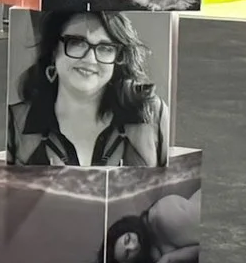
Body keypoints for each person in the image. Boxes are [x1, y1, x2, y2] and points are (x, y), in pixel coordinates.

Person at [10, 10, 169, 168]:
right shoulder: (15, 124)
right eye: (77, 43)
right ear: (53, 51)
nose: (90, 59)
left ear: (118, 58)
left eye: (105, 48)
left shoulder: (152, 114)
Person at [31, 192, 200, 263]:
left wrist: (165, 261)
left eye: (127, 239)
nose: (133, 247)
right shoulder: (144, 248)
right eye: (127, 253)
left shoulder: (164, 215)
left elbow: (201, 245)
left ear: (129, 228)